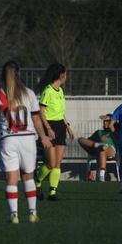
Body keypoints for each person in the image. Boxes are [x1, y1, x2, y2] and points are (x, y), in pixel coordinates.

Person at [0, 61, 51, 224]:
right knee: (28, 177)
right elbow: (36, 117)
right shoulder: (29, 93)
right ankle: (32, 213)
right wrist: (43, 136)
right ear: (19, 73)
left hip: (8, 139)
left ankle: (14, 215)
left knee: (11, 179)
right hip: (28, 138)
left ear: (3, 75)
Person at [36, 63, 74, 201]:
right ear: (61, 75)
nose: (66, 76)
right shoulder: (48, 90)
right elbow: (41, 112)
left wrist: (68, 127)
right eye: (65, 73)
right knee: (50, 163)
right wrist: (48, 129)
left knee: (58, 163)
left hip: (61, 127)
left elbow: (61, 113)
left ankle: (52, 192)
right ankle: (38, 182)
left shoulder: (61, 91)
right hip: (50, 127)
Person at [77, 115, 117, 182]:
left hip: (110, 149)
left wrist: (110, 118)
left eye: (107, 121)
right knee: (80, 139)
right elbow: (89, 140)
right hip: (95, 147)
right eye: (104, 121)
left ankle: (101, 176)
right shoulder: (99, 132)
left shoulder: (114, 131)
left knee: (102, 150)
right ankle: (98, 145)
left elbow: (120, 121)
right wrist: (96, 142)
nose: (105, 123)